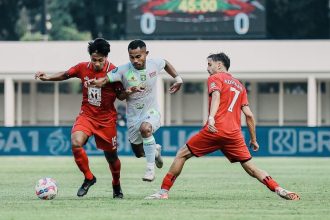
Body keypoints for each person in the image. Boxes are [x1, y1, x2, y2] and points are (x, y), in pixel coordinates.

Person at [145, 52, 300, 200]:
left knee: (181, 154)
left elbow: (217, 96)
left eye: (209, 64)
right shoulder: (240, 86)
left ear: (219, 65)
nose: (207, 68)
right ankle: (279, 188)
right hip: (234, 134)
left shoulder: (215, 77)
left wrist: (211, 117)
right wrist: (253, 139)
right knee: (251, 168)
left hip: (215, 129)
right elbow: (249, 115)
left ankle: (163, 192)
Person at [34, 38, 124, 199]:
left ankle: (116, 185)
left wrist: (130, 91)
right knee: (76, 142)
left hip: (106, 120)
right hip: (87, 115)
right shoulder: (83, 67)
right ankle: (89, 177)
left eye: (100, 60)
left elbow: (121, 96)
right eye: (94, 59)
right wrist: (47, 78)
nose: (96, 63)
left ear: (106, 57)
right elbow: (65, 75)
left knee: (111, 157)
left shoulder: (115, 72)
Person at [88, 39, 183, 182]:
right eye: (131, 57)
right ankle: (155, 151)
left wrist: (178, 79)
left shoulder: (154, 64)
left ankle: (150, 170)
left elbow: (165, 63)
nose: (135, 60)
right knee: (138, 153)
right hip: (133, 116)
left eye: (138, 56)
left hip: (151, 112)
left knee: (146, 129)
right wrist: (97, 82)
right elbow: (111, 86)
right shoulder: (123, 70)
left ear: (146, 54)